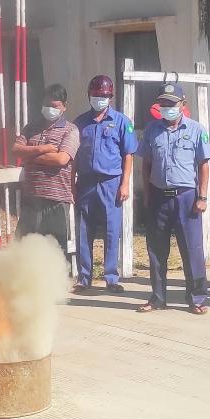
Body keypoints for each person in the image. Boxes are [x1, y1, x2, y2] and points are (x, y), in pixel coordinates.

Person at [137, 83, 210, 315]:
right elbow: (146, 164)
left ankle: (197, 298)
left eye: (171, 103)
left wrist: (202, 196)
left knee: (192, 250)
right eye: (163, 103)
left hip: (186, 198)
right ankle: (158, 298)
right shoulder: (152, 130)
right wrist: (147, 193)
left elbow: (204, 165)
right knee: (156, 251)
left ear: (182, 104)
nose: (167, 107)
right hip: (159, 197)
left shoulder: (196, 130)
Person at [73, 75, 137, 293]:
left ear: (110, 97)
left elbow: (128, 155)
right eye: (95, 95)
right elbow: (73, 156)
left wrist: (125, 184)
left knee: (111, 230)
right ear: (89, 96)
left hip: (111, 182)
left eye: (103, 96)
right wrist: (72, 183)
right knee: (84, 230)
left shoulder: (121, 121)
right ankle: (84, 278)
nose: (99, 99)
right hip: (86, 182)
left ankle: (111, 277)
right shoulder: (80, 123)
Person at [14, 84, 80, 253]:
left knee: (56, 251)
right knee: (25, 249)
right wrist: (43, 149)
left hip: (56, 201)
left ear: (64, 107)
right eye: (47, 104)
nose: (50, 109)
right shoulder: (30, 128)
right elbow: (16, 150)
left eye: (55, 106)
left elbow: (61, 159)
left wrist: (29, 156)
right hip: (31, 199)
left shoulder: (70, 130)